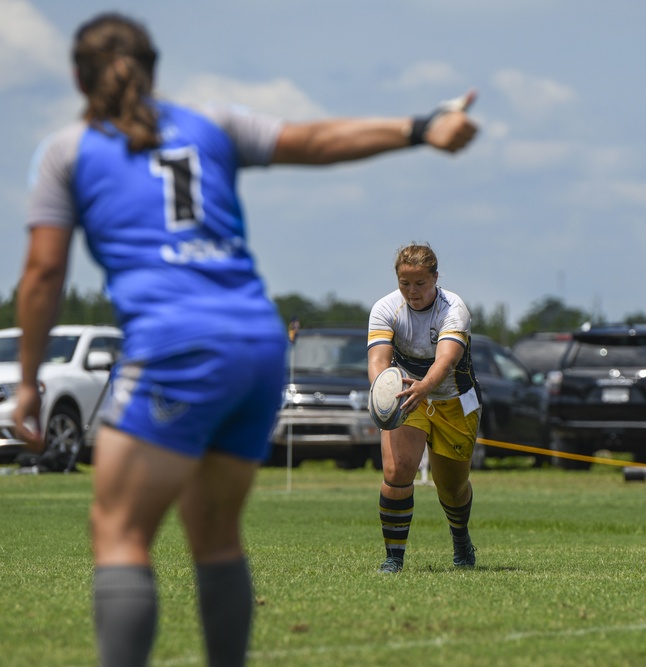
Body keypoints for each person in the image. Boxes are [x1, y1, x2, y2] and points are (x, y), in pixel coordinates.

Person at [12, 13, 477, 667]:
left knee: (118, 531)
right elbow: (316, 140)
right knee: (216, 534)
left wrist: (29, 378)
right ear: (153, 68)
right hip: (258, 346)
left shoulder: (67, 149)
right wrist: (420, 127)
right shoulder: (212, 124)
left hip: (176, 346)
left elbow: (42, 273)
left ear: (76, 76)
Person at [367, 243, 481, 573]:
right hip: (408, 396)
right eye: (405, 283)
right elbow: (378, 360)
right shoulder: (385, 309)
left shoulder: (453, 309)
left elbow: (445, 360)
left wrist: (424, 387)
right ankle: (393, 558)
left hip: (454, 401)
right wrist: (384, 390)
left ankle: (460, 538)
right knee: (397, 471)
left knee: (452, 487)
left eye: (420, 284)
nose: (412, 292)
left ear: (435, 278)